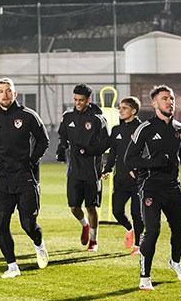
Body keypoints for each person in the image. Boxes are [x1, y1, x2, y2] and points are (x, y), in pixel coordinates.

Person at [125, 85, 181, 291]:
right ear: (154, 103)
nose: (170, 102)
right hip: (151, 188)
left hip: (173, 187)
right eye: (165, 98)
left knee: (179, 230)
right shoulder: (145, 128)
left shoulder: (179, 128)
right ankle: (145, 277)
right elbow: (129, 159)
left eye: (171, 98)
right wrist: (154, 163)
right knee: (153, 230)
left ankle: (175, 262)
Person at [0, 78, 50, 278]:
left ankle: (39, 244)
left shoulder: (28, 115)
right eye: (1, 91)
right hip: (2, 179)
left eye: (8, 90)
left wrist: (32, 160)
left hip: (25, 177)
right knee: (1, 223)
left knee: (28, 224)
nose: (5, 94)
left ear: (15, 93)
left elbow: (43, 140)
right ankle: (12, 267)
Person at [56, 83, 109, 252]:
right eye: (75, 100)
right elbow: (63, 136)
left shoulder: (97, 119)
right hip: (74, 169)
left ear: (88, 100)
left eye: (81, 100)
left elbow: (106, 143)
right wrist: (61, 148)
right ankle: (85, 225)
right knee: (74, 207)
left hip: (92, 170)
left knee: (91, 207)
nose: (78, 103)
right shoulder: (68, 116)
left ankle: (93, 240)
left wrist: (89, 150)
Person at [101, 96, 143, 255]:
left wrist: (139, 170)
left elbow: (147, 153)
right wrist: (107, 168)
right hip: (120, 179)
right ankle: (129, 228)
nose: (120, 110)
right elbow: (113, 152)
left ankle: (138, 245)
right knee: (117, 211)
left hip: (138, 180)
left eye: (124, 108)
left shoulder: (142, 129)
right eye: (120, 107)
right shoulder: (116, 130)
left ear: (133, 111)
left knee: (137, 214)